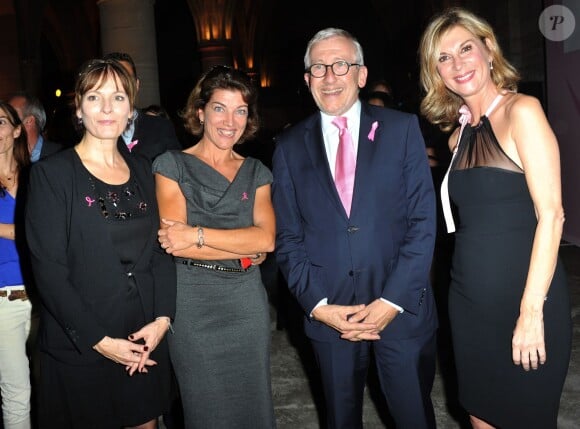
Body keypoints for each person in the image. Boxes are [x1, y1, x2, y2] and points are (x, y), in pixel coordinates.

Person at [272, 28, 438, 429]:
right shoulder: (289, 146)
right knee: (340, 420)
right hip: (331, 317)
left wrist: (390, 302)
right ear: (307, 78)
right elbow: (288, 238)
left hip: (401, 312)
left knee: (413, 417)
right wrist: (318, 305)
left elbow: (422, 223)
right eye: (319, 67)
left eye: (341, 64)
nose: (330, 76)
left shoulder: (401, 130)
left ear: (361, 75)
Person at [418, 7, 572, 429]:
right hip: (469, 304)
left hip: (525, 301)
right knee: (479, 416)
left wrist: (530, 313)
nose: (457, 63)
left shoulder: (523, 111)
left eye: (465, 48)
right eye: (443, 58)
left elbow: (553, 216)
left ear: (488, 50)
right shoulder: (456, 136)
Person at [25, 58, 176, 428]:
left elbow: (161, 250)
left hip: (143, 337)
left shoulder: (145, 169)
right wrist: (101, 341)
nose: (107, 108)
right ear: (79, 107)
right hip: (81, 343)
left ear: (131, 108)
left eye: (118, 97)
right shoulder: (51, 175)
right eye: (95, 97)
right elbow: (49, 273)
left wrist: (162, 318)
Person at [153, 65, 276, 428]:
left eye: (241, 110)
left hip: (246, 304)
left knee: (253, 407)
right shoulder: (171, 164)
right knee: (205, 411)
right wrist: (240, 243)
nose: (230, 120)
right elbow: (175, 243)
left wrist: (199, 234)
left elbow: (266, 238)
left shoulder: (256, 171)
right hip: (193, 305)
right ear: (200, 111)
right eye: (220, 108)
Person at [0, 101, 32, 429]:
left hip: (44, 296)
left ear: (17, 129)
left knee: (56, 386)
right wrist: (25, 232)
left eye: (0, 122)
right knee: (16, 393)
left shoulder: (38, 177)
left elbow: (46, 234)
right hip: (3, 301)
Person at [103, 52, 182, 161]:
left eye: (127, 79)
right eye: (115, 79)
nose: (121, 86)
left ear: (137, 85)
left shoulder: (160, 127)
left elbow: (177, 171)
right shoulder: (97, 129)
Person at [8, 92, 63, 161]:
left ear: (29, 121)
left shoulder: (60, 155)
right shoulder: (7, 159)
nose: (6, 123)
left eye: (11, 115)